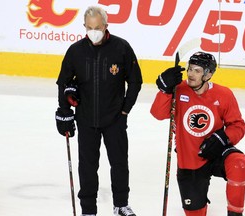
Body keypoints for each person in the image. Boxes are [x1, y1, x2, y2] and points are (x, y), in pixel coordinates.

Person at [55, 6, 142, 216]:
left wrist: (125, 112)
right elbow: (63, 82)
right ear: (84, 26)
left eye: (98, 27)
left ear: (106, 26)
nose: (93, 31)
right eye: (89, 27)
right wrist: (64, 111)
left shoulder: (121, 48)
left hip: (114, 119)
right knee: (87, 167)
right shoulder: (75, 51)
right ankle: (88, 210)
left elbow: (135, 81)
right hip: (86, 119)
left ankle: (121, 205)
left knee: (120, 163)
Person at [150, 51, 245, 216]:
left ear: (208, 74)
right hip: (190, 159)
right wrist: (164, 90)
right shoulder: (178, 90)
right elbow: (158, 114)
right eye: (190, 69)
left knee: (238, 163)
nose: (190, 74)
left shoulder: (223, 94)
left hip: (216, 151)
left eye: (197, 70)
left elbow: (238, 125)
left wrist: (223, 138)